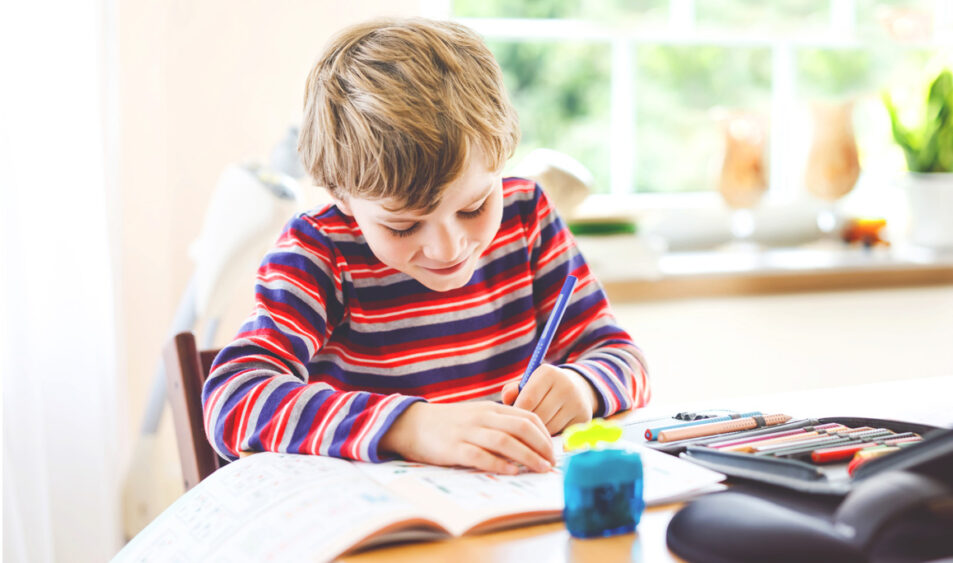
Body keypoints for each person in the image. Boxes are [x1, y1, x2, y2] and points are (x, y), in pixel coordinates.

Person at [203, 17, 650, 476]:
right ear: (341, 194)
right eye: (403, 227)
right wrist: (411, 427)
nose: (447, 248)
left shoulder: (526, 217)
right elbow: (232, 398)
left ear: (500, 156)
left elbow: (623, 358)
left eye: (474, 207)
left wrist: (583, 385)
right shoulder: (320, 253)